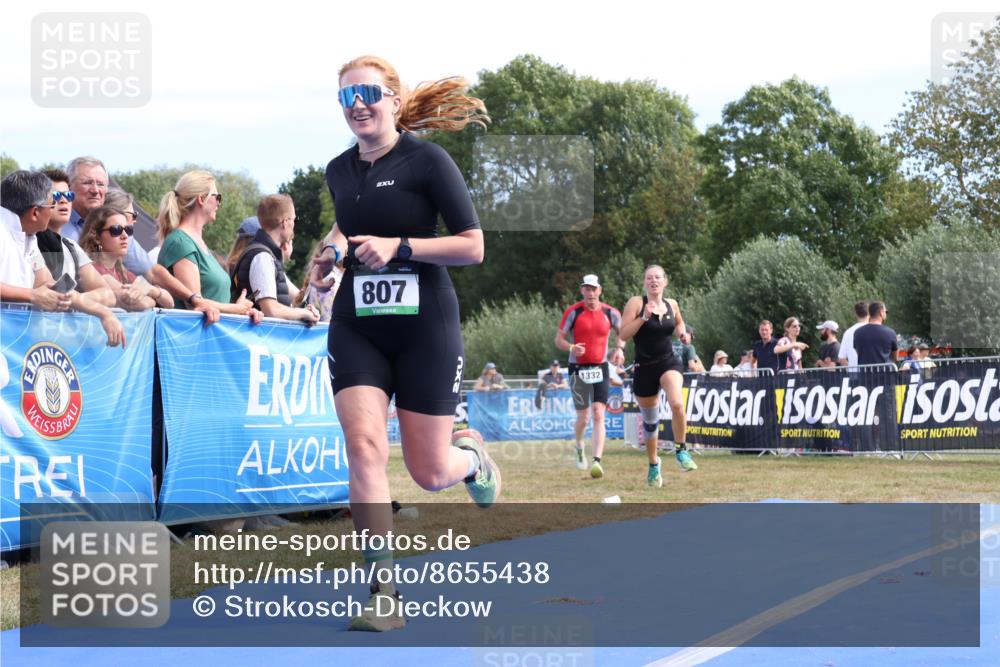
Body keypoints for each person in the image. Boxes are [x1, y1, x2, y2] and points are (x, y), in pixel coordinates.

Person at [321, 55, 495, 632]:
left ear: (394, 101)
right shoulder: (338, 170)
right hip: (358, 324)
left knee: (429, 471)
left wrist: (400, 247)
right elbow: (348, 225)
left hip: (425, 327)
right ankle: (383, 591)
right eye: (347, 96)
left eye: (369, 93)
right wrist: (331, 253)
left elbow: (473, 246)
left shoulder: (428, 161)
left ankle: (472, 460)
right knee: (364, 447)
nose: (358, 104)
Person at [0, 171, 125, 346]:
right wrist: (32, 295)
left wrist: (104, 313)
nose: (58, 206)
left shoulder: (30, 238)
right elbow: (38, 293)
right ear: (35, 213)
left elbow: (52, 288)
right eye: (53, 203)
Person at [619, 264, 697, 488]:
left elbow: (679, 322)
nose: (653, 280)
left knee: (677, 403)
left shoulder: (672, 304)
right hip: (644, 367)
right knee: (650, 422)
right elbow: (623, 333)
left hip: (668, 362)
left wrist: (682, 334)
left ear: (665, 281)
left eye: (657, 277)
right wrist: (643, 317)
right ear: (644, 282)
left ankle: (681, 451)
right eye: (649, 277)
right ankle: (654, 464)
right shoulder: (636, 303)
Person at [156, 170, 261, 322]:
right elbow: (195, 304)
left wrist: (240, 311)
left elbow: (209, 302)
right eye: (217, 197)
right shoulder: (180, 242)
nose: (219, 203)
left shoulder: (196, 243)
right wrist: (236, 308)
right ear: (201, 199)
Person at [555, 274, 626, 479]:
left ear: (600, 290)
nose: (591, 293)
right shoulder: (573, 312)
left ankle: (596, 461)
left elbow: (623, 333)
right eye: (587, 289)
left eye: (594, 289)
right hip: (577, 368)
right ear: (582, 290)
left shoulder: (611, 312)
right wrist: (571, 347)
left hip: (600, 368)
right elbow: (558, 339)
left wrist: (620, 349)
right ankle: (579, 445)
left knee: (598, 414)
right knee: (583, 417)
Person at [34, 168, 117, 307]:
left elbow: (108, 296)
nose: (64, 200)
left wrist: (73, 298)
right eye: (56, 195)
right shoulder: (27, 242)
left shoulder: (71, 247)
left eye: (68, 195)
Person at [230, 195, 318, 325]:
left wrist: (304, 309)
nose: (294, 225)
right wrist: (304, 313)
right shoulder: (262, 257)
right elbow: (271, 310)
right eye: (294, 219)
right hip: (261, 335)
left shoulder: (265, 255)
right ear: (285, 222)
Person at [61, 156, 155, 277]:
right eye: (87, 183)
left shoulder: (115, 227)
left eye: (100, 184)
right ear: (69, 187)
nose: (95, 190)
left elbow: (147, 269)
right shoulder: (59, 226)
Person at [79, 205, 174, 310]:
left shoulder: (120, 271)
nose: (125, 236)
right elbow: (143, 304)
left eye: (128, 230)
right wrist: (148, 292)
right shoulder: (92, 269)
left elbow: (170, 303)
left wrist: (151, 289)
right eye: (116, 230)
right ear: (96, 237)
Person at [838, 301, 869, 368]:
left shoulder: (848, 332)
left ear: (855, 314)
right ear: (869, 313)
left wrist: (851, 368)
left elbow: (841, 358)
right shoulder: (874, 330)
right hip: (873, 372)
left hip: (854, 373)